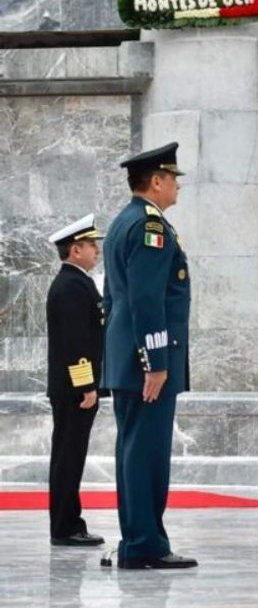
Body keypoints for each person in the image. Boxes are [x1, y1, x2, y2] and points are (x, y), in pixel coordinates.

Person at [100, 142, 196, 570]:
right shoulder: (149, 228)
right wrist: (155, 363)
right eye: (173, 178)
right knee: (146, 455)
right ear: (155, 181)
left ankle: (137, 540)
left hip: (126, 358)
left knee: (134, 451)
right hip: (147, 364)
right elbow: (145, 300)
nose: (176, 187)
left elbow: (110, 299)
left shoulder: (123, 222)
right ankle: (144, 545)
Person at [45, 214, 106, 548]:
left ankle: (68, 522)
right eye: (91, 246)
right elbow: (75, 343)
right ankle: (66, 526)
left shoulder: (77, 282)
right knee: (69, 456)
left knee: (70, 455)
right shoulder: (71, 285)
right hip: (74, 390)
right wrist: (86, 385)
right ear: (74, 250)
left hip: (73, 387)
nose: (96, 251)